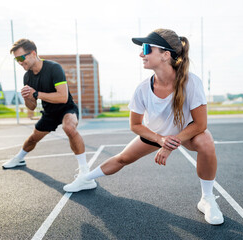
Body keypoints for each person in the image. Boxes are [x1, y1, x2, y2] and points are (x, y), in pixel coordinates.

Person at [63, 29, 224, 225]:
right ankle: (86, 178)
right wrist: (161, 140)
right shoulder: (142, 89)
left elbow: (201, 124)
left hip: (187, 133)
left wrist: (170, 144)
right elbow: (135, 125)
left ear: (166, 55)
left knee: (206, 141)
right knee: (122, 158)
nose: (141, 54)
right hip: (156, 135)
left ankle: (206, 199)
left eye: (147, 48)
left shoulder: (191, 82)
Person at [3, 39, 97, 191]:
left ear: (33, 53)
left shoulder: (54, 68)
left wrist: (36, 93)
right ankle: (19, 158)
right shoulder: (27, 77)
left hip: (66, 108)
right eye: (16, 59)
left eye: (21, 58)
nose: (19, 62)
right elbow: (32, 107)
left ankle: (85, 173)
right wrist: (28, 98)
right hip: (49, 113)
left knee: (69, 128)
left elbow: (63, 97)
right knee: (33, 138)